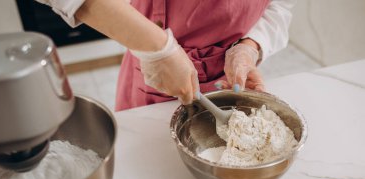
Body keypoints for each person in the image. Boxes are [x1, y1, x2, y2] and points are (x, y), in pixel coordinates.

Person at [37, 0, 296, 111]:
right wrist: (159, 50)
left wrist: (250, 46)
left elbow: (281, 5)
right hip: (152, 77)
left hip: (229, 80)